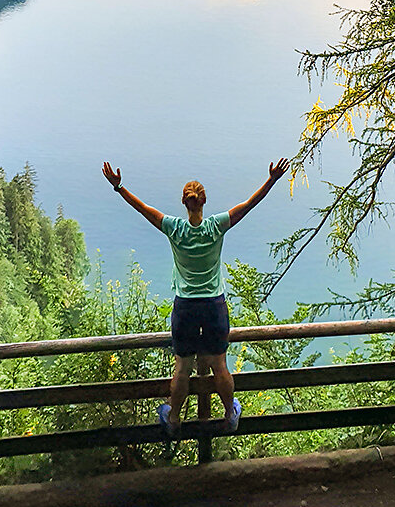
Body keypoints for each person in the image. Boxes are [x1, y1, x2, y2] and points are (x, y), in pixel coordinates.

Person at [102, 156, 289, 437]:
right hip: (214, 304)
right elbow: (250, 205)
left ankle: (174, 419)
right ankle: (230, 414)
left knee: (182, 367)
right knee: (219, 364)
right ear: (204, 202)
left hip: (186, 306)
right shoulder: (217, 226)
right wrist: (272, 180)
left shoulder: (175, 229)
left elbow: (143, 209)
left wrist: (119, 187)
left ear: (184, 202)